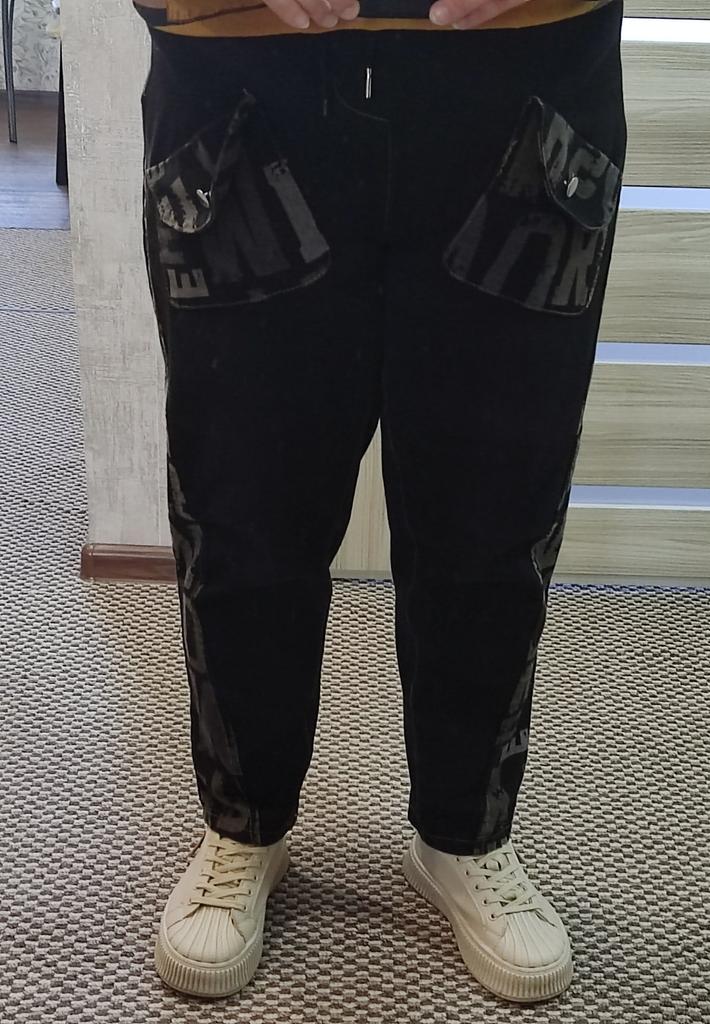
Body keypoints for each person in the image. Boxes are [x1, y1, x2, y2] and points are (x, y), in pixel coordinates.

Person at [134, 0, 626, 1003]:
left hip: (523, 87)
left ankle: (462, 835)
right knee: (241, 504)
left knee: (494, 511)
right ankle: (245, 824)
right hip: (242, 82)